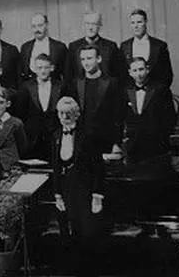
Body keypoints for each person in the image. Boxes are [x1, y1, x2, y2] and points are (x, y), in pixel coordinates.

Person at [52, 97, 105, 277]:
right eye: (61, 113)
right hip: (65, 189)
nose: (65, 117)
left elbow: (98, 167)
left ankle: (86, 271)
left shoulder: (87, 135)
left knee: (85, 232)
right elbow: (56, 166)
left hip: (84, 189)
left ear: (77, 115)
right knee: (65, 230)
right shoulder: (56, 135)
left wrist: (97, 195)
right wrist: (57, 194)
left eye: (69, 113)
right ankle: (69, 270)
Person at [68, 46, 126, 156]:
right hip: (81, 142)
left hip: (105, 141)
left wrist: (116, 143)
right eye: (83, 59)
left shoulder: (112, 83)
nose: (86, 63)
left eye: (89, 58)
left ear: (99, 59)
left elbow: (118, 116)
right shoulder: (75, 83)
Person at [123, 57, 177, 163]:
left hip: (156, 143)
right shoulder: (125, 91)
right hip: (132, 144)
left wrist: (161, 137)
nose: (139, 74)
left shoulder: (161, 89)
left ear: (147, 69)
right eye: (135, 70)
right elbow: (120, 116)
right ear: (130, 73)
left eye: (141, 69)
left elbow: (170, 118)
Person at [15, 53, 63, 161]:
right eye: (40, 68)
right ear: (34, 69)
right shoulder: (26, 87)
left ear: (52, 68)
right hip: (32, 137)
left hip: (53, 136)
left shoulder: (60, 86)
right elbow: (20, 113)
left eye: (46, 67)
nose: (43, 71)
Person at [119, 9, 174, 88]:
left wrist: (157, 92)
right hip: (131, 93)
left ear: (146, 22)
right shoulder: (124, 46)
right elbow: (121, 75)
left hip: (156, 92)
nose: (136, 26)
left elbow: (167, 75)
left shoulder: (160, 46)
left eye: (139, 22)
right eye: (133, 23)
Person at [66, 12, 124, 86]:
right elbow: (68, 76)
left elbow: (118, 75)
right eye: (87, 23)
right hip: (81, 91)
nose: (90, 28)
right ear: (83, 26)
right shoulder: (74, 47)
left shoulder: (111, 47)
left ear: (100, 25)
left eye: (94, 24)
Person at [19, 13, 67, 83]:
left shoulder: (59, 47)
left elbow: (66, 74)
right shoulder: (25, 47)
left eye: (40, 25)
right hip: (31, 86)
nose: (37, 30)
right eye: (34, 26)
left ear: (46, 25)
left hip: (53, 86)